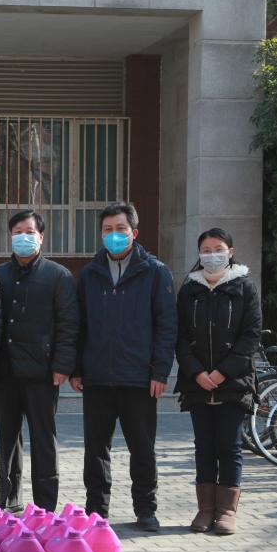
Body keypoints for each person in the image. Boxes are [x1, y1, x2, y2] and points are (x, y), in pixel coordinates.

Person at [72, 202, 177, 531]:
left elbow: (166, 325)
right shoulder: (89, 274)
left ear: (134, 232)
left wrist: (160, 371)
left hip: (139, 378)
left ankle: (146, 508)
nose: (114, 235)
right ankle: (96, 509)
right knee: (96, 450)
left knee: (142, 448)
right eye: (107, 230)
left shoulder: (155, 272)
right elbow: (79, 325)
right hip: (97, 376)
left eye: (120, 229)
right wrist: (76, 368)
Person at [0, 210, 79, 513]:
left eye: (29, 232)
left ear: (41, 237)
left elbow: (68, 324)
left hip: (42, 373)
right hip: (4, 372)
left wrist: (62, 366)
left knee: (43, 439)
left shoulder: (58, 275)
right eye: (17, 232)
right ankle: (10, 499)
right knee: (7, 438)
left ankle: (45, 505)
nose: (23, 237)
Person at [175, 228, 261, 535]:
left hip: (233, 382)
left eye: (218, 248)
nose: (212, 255)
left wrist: (222, 372)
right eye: (206, 250)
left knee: (229, 447)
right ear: (199, 254)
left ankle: (226, 511)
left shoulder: (244, 287)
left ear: (230, 252)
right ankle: (205, 509)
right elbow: (180, 336)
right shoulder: (189, 289)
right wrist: (197, 372)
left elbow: (250, 336)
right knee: (204, 447)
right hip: (197, 384)